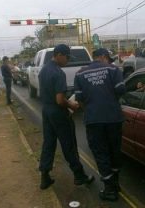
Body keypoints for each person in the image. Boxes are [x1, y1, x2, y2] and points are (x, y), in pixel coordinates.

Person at [38, 44, 94, 190]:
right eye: (67, 57)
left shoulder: (44, 70)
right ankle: (79, 176)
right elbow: (60, 100)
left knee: (48, 144)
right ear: (59, 55)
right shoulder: (58, 73)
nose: (68, 60)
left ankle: (44, 177)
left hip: (47, 110)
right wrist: (72, 105)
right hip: (58, 112)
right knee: (69, 145)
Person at [74, 48, 126, 201]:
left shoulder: (80, 73)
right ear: (103, 57)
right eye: (108, 58)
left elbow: (79, 98)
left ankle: (109, 189)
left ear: (94, 57)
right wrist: (110, 101)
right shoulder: (113, 69)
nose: (109, 60)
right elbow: (121, 90)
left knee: (100, 152)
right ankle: (115, 184)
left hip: (94, 119)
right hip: (114, 118)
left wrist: (90, 108)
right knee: (114, 150)